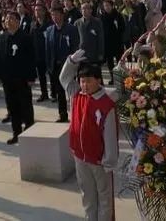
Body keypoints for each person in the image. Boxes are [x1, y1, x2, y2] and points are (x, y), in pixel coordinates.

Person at [60, 50, 118, 221]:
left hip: (99, 161)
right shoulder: (76, 95)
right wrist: (70, 61)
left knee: (104, 199)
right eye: (82, 81)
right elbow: (64, 79)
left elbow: (109, 136)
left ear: (98, 80)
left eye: (88, 81)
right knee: (87, 195)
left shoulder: (106, 103)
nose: (84, 85)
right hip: (80, 157)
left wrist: (109, 161)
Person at [0, 11, 36, 144]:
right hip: (7, 79)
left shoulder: (25, 37)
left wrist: (31, 77)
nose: (8, 21)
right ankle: (16, 133)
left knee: (26, 106)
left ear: (18, 21)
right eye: (6, 19)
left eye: (11, 18)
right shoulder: (1, 37)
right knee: (12, 107)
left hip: (22, 79)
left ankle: (30, 132)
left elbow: (31, 59)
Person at [45, 6, 80, 123]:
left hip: (68, 65)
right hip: (55, 65)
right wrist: (49, 65)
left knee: (71, 90)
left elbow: (75, 47)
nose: (54, 17)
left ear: (62, 15)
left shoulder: (71, 29)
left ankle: (76, 113)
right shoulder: (49, 30)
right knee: (59, 92)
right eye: (52, 15)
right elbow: (47, 49)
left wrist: (74, 63)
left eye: (56, 14)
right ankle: (62, 114)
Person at [30, 2, 53, 103]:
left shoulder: (50, 24)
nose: (37, 12)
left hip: (49, 53)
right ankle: (44, 93)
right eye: (35, 10)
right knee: (41, 76)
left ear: (44, 12)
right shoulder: (33, 24)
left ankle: (54, 93)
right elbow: (30, 39)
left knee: (52, 75)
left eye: (39, 10)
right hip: (38, 54)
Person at [98, 0, 124, 84]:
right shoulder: (102, 17)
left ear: (112, 6)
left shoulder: (118, 15)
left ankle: (121, 78)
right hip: (107, 44)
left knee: (119, 61)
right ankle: (113, 78)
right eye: (105, 6)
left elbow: (122, 28)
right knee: (110, 63)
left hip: (117, 42)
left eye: (108, 5)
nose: (106, 7)